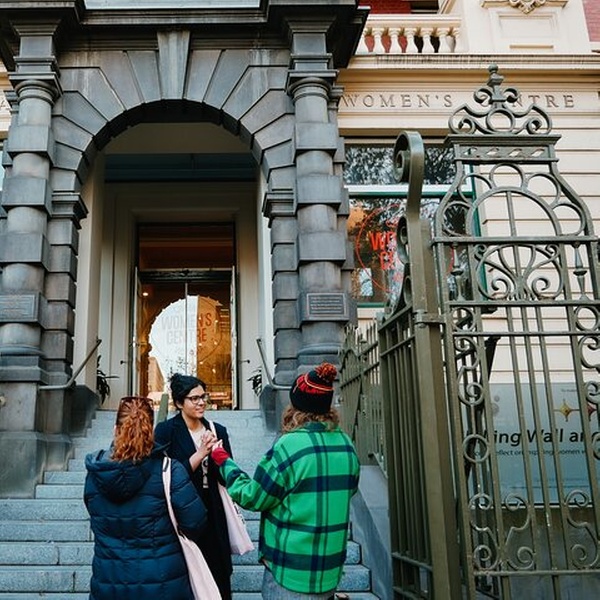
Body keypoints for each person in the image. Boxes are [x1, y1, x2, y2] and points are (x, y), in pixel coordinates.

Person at [211, 362, 360, 600]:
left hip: (291, 570)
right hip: (330, 570)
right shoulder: (345, 444)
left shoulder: (289, 445)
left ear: (295, 405)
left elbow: (253, 497)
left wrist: (223, 461)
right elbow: (349, 489)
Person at [84, 395, 208, 600]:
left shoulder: (95, 475)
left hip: (109, 582)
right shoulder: (169, 471)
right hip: (163, 583)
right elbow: (195, 522)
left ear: (115, 430)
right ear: (150, 431)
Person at [154, 373, 234, 600]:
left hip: (213, 510)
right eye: (194, 398)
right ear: (180, 403)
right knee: (186, 577)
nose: (201, 403)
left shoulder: (217, 430)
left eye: (203, 397)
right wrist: (200, 454)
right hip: (182, 513)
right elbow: (165, 477)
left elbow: (227, 476)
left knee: (218, 576)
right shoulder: (166, 431)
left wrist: (219, 456)